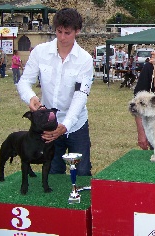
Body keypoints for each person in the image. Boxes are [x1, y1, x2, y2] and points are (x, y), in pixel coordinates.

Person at [17, 8, 93, 176]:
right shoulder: (39, 52)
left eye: (67, 33)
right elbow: (24, 81)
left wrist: (65, 125)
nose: (62, 37)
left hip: (77, 124)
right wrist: (31, 97)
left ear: (77, 31)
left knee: (82, 171)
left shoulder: (85, 59)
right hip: (49, 125)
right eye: (59, 32)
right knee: (53, 170)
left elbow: (81, 96)